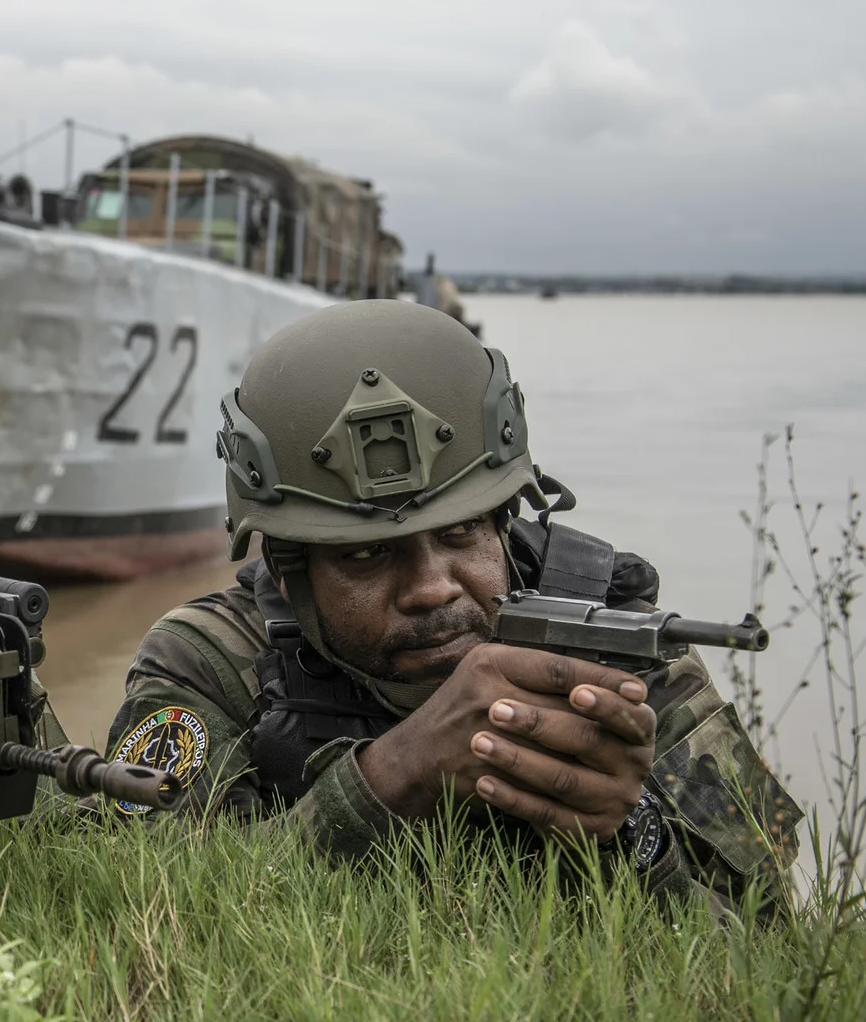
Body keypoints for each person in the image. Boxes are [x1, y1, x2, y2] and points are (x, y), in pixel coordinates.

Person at [103, 301, 801, 914]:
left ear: (504, 518)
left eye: (460, 533)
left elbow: (765, 940)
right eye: (367, 556)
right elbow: (147, 900)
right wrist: (389, 777)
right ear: (287, 567)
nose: (432, 587)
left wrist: (629, 833)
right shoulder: (211, 659)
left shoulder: (619, 648)